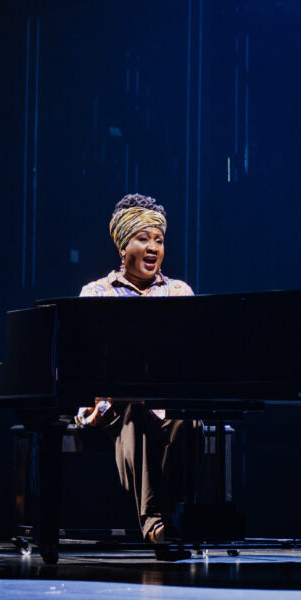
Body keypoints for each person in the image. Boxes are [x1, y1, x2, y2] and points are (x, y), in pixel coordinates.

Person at [75, 194, 200, 544]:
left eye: (158, 240)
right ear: (122, 245)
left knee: (184, 415)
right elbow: (84, 359)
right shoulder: (97, 293)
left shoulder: (179, 292)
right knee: (135, 406)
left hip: (168, 400)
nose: (153, 247)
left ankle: (171, 519)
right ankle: (156, 525)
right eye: (143, 238)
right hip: (115, 405)